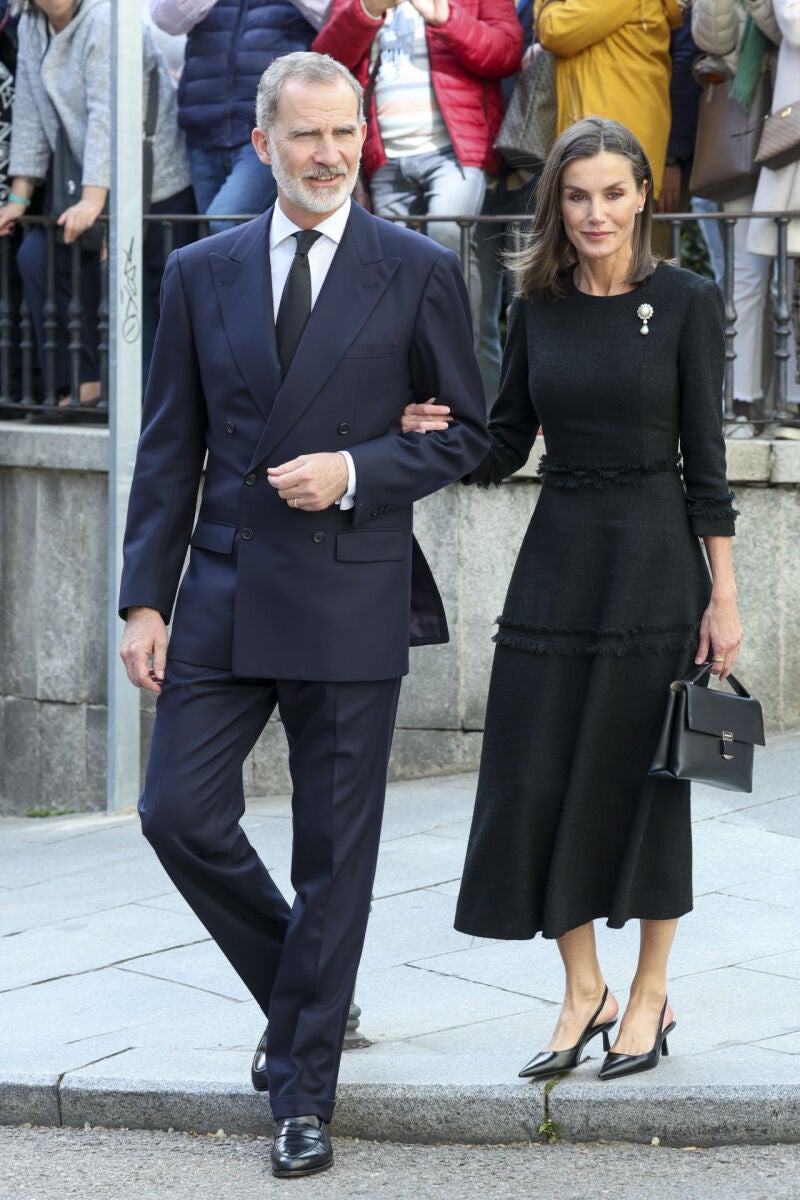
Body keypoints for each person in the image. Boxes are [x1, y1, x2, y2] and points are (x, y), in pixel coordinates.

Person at [118, 51, 489, 1180]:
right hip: (222, 590)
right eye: (305, 136)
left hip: (347, 586)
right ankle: (307, 1000)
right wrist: (144, 598)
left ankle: (301, 1089)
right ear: (262, 143)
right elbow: (168, 447)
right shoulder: (202, 270)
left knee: (336, 860)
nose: (327, 155)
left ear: (363, 138)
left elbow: (466, 434)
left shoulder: (416, 267)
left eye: (344, 135)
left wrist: (358, 467)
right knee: (176, 816)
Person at [402, 117, 743, 1083]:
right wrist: (435, 434)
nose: (595, 213)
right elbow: (507, 440)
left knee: (648, 781)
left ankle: (649, 995)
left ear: (642, 195)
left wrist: (724, 599)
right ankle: (582, 986)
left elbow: (707, 469)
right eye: (576, 195)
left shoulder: (687, 300)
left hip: (654, 564)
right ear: (557, 202)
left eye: (612, 192)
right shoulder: (536, 304)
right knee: (540, 770)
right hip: (556, 562)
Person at [0, 0, 193, 414]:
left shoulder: (107, 18)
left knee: (157, 298)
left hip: (154, 184)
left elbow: (109, 113)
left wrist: (93, 200)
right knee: (37, 257)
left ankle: (163, 408)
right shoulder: (32, 26)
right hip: (92, 185)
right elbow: (31, 112)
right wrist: (18, 197)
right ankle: (86, 382)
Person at [313, 0, 522, 330]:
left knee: (447, 231)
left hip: (456, 151)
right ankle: (412, 360)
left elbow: (506, 53)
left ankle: (455, 350)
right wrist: (367, 10)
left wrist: (445, 17)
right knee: (393, 260)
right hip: (385, 156)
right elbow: (326, 62)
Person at [149, 0, 319, 234]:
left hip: (267, 129)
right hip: (204, 127)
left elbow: (332, 14)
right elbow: (165, 18)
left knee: (222, 222)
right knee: (213, 242)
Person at [692, 0, 782, 439]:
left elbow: (787, 32)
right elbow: (711, 39)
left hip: (787, 118)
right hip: (742, 128)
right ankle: (744, 404)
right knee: (746, 276)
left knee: (790, 275)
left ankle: (788, 401)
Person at [534, 0, 681, 203]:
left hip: (611, 139)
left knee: (611, 223)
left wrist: (547, 6)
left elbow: (555, 29)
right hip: (610, 133)